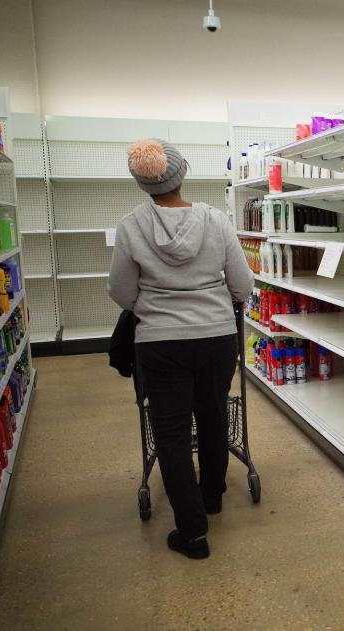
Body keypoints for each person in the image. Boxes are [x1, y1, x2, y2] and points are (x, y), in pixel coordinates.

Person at [107, 139, 253, 560]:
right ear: (182, 173)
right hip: (216, 337)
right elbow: (241, 283)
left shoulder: (131, 226)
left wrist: (155, 308)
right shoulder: (215, 220)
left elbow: (121, 290)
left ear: (140, 183)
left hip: (160, 342)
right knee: (212, 414)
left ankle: (191, 532)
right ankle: (212, 496)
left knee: (170, 432)